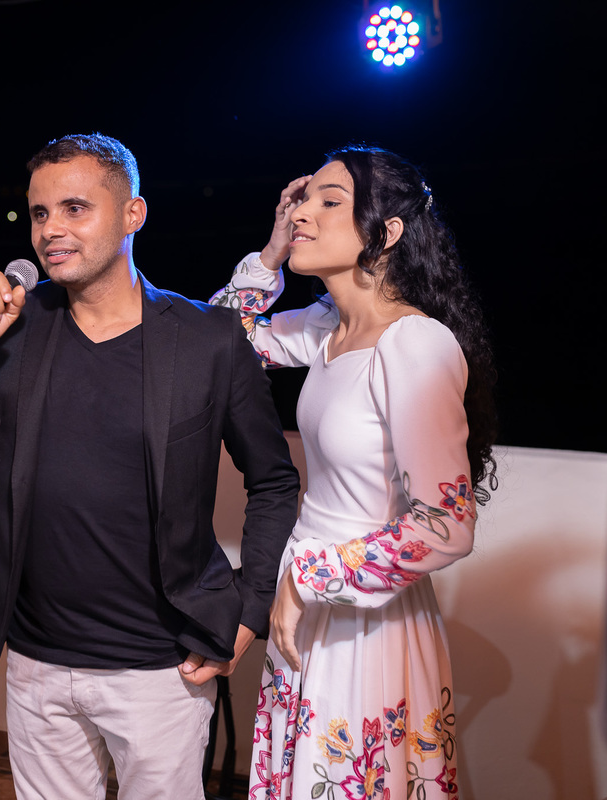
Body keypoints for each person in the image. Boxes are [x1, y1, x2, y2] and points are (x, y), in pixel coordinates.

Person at [0, 133, 301, 800]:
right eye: (40, 213)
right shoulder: (12, 331)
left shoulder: (207, 340)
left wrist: (249, 612)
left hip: (160, 669)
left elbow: (273, 480)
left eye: (75, 209)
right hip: (35, 660)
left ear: (132, 214)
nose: (50, 230)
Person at [210, 145, 497, 800]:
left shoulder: (414, 343)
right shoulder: (326, 329)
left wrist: (308, 578)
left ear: (387, 232)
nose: (303, 212)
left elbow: (447, 525)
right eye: (302, 199)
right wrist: (270, 254)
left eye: (329, 201)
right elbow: (218, 341)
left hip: (363, 617)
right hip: (306, 599)